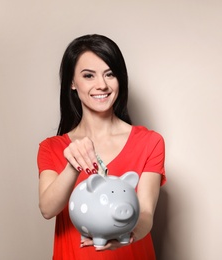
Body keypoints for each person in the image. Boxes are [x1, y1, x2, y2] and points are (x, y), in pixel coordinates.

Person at [37, 34, 166, 260]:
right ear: (72, 82)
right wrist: (72, 165)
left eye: (110, 74)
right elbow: (48, 209)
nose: (102, 85)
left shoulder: (149, 142)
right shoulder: (52, 148)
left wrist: (129, 233)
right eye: (88, 75)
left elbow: (145, 213)